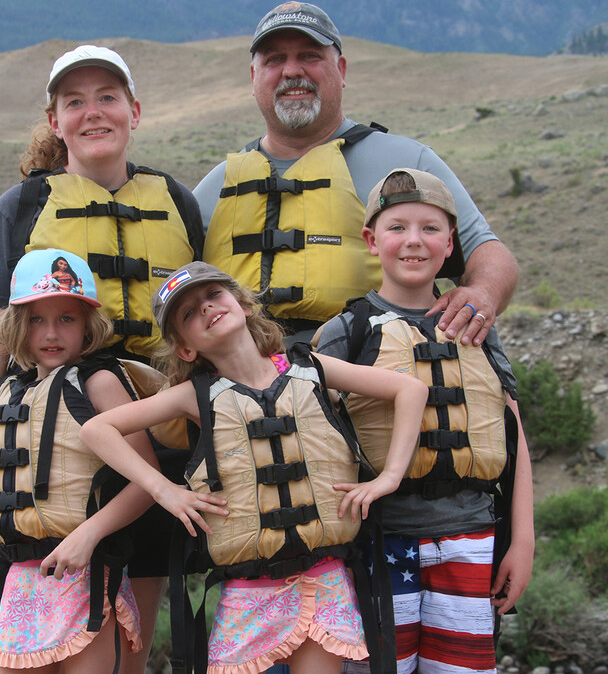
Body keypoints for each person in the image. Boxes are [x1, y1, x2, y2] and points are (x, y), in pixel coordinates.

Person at [0, 44, 203, 674]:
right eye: (73, 102)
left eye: (107, 98)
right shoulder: (21, 207)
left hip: (159, 443)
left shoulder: (179, 203)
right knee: (47, 629)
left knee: (126, 642)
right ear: (55, 121)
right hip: (56, 443)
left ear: (134, 110)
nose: (92, 113)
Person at [78, 261, 430, 674]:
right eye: (189, 313)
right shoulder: (192, 396)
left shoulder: (312, 368)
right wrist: (164, 490)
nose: (206, 308)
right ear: (185, 349)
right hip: (247, 593)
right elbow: (97, 430)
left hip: (323, 581)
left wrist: (389, 477)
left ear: (243, 305)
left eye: (214, 296)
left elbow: (410, 389)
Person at [194, 1, 518, 347]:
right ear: (254, 77)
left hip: (375, 380)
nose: (292, 71)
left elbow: (488, 252)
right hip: (246, 386)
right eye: (274, 59)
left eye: (309, 56)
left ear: (342, 70)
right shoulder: (218, 186)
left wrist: (482, 293)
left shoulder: (407, 162)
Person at [314, 169, 535, 674]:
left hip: (473, 538)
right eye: (397, 228)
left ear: (451, 241)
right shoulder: (346, 331)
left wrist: (522, 540)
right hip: (378, 543)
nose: (414, 241)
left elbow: (513, 433)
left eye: (430, 229)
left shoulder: (477, 324)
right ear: (372, 240)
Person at [0, 248, 159, 672]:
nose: (51, 332)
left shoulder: (100, 384)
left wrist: (89, 534)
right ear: (18, 324)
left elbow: (147, 479)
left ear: (88, 325)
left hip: (88, 578)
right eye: (36, 319)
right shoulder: (3, 395)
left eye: (66, 318)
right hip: (20, 586)